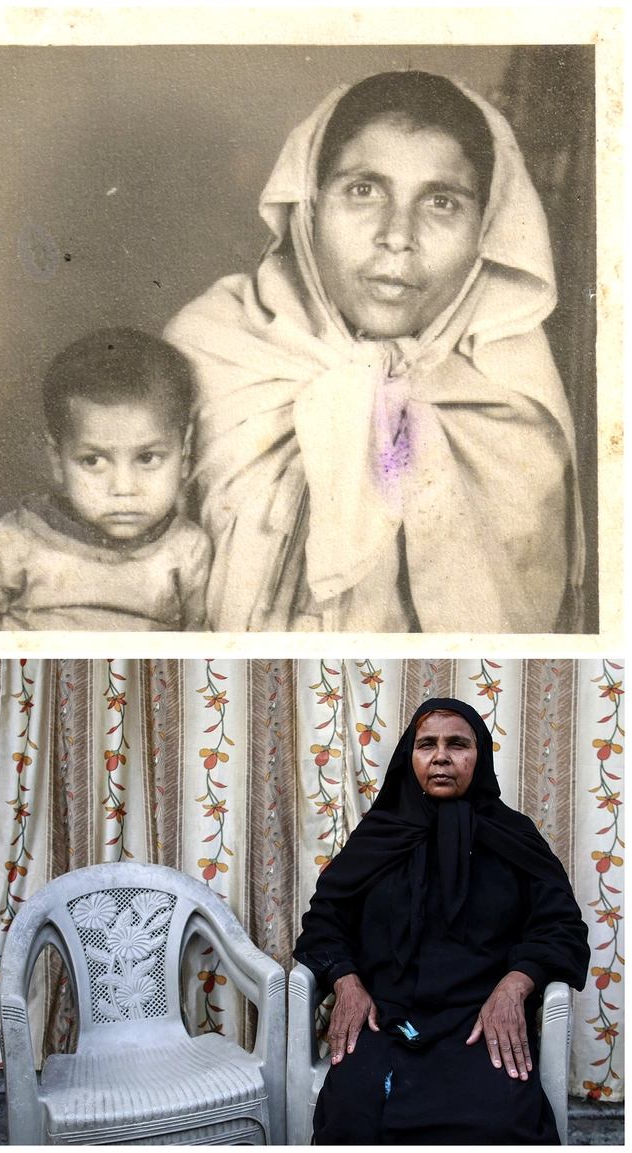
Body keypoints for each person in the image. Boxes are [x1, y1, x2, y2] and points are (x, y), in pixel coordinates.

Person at [165, 70, 585, 633]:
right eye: (363, 191)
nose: (397, 234)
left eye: (441, 202)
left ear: (487, 226)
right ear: (309, 205)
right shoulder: (214, 350)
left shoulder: (514, 405)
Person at [293, 697, 589, 1145]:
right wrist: (345, 982)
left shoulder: (515, 835)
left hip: (480, 1020)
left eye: (458, 744)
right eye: (426, 745)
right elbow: (324, 922)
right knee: (352, 1117)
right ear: (409, 757)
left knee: (499, 1122)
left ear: (480, 756)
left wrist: (515, 986)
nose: (441, 757)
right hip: (385, 1019)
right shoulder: (378, 835)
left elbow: (561, 927)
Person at [0, 328, 211, 631]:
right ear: (57, 460)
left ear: (183, 454)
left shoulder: (187, 550)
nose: (123, 488)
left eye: (147, 458)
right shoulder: (11, 543)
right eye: (93, 461)